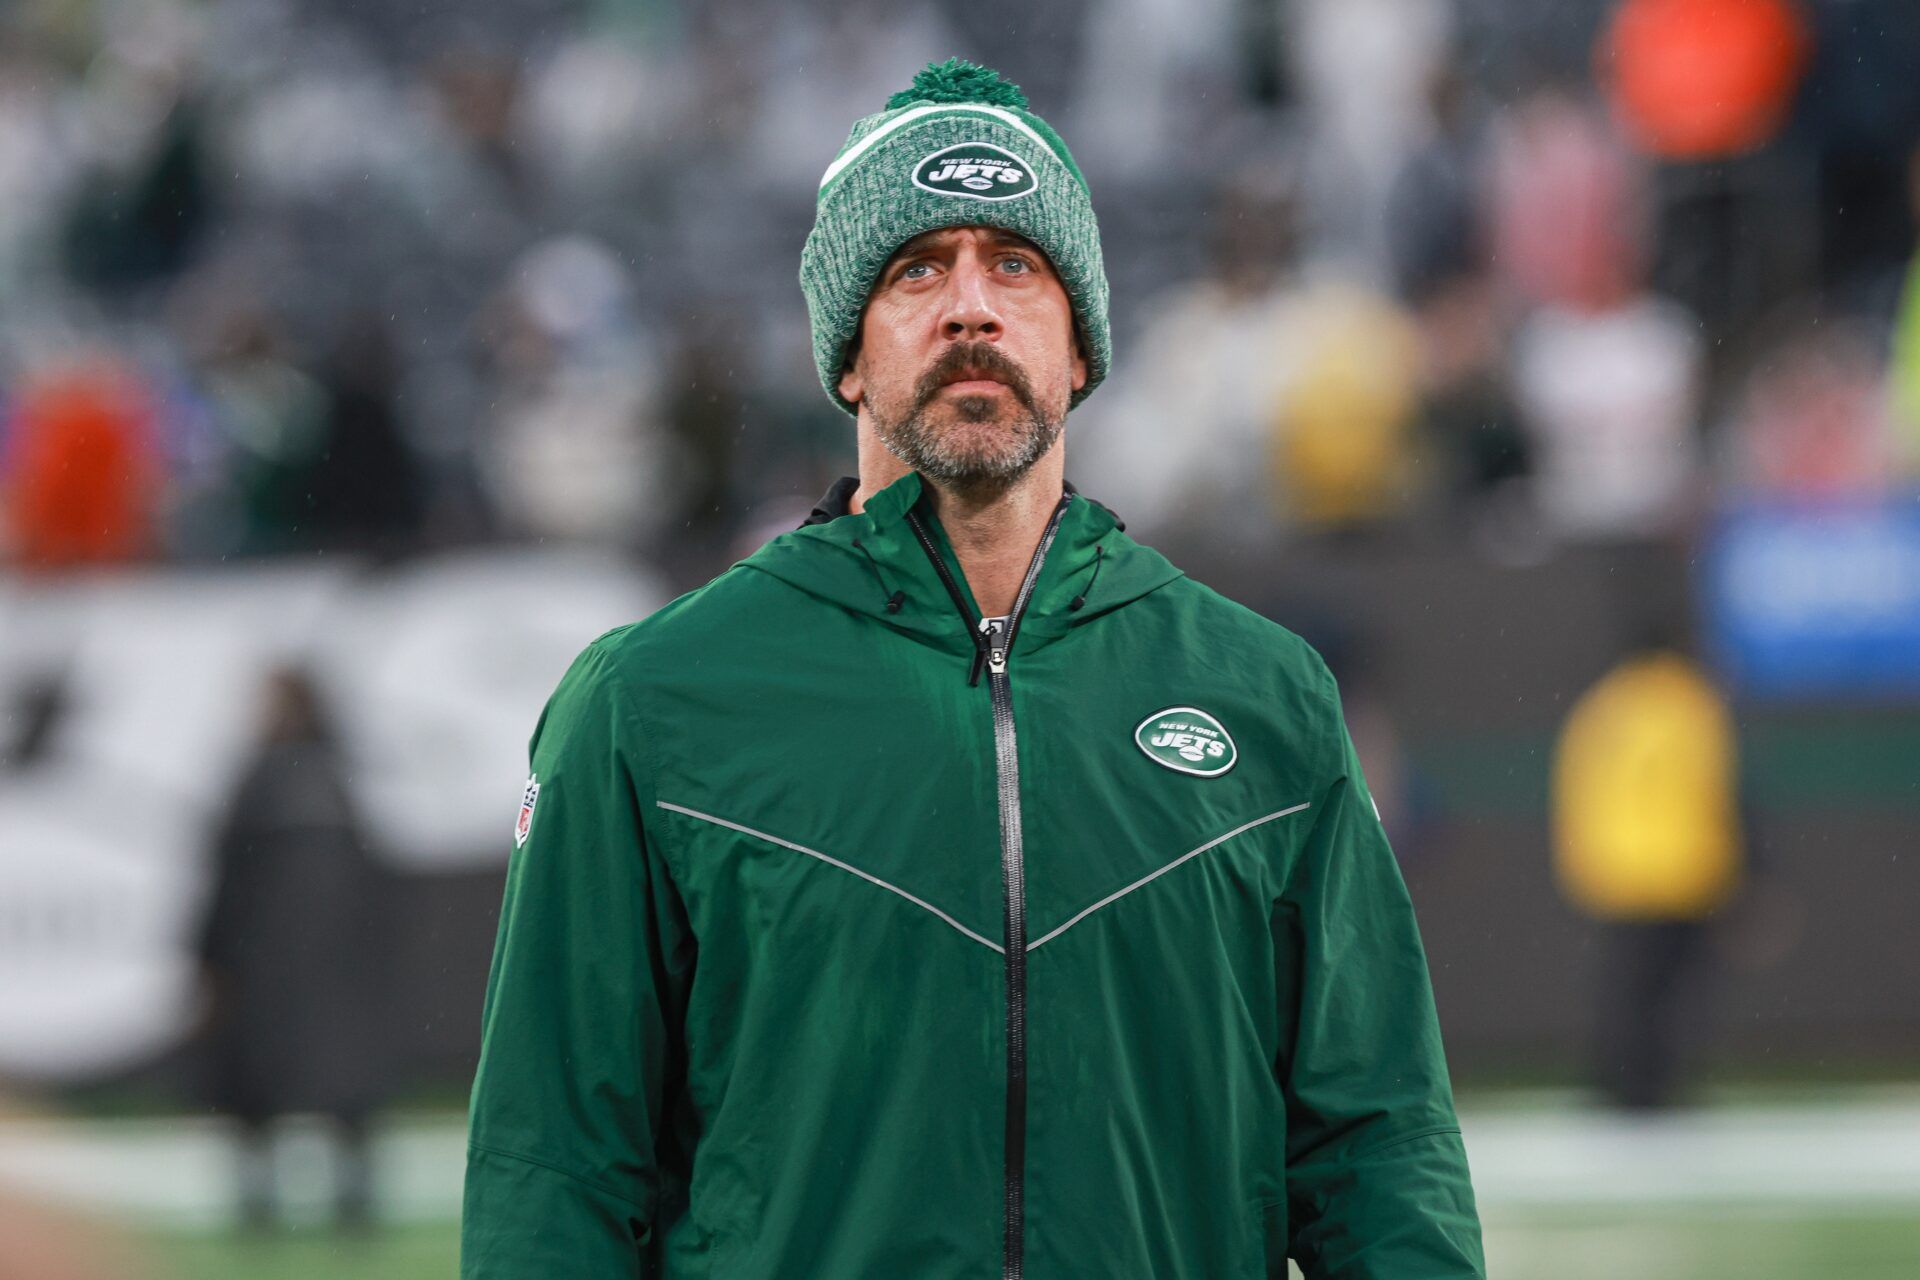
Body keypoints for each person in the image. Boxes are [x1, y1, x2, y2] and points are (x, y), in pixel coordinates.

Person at [462, 58, 1483, 1278]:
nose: (970, 307)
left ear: (1081, 349)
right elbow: (553, 1170)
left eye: (1016, 264)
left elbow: (1381, 1149)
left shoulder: (1266, 699)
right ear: (847, 356)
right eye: (914, 269)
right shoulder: (648, 704)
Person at [196, 666, 391, 1232]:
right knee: (338, 1083)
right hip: (327, 971)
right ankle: (344, 1203)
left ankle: (268, 1205)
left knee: (263, 1083)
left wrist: (211, 955)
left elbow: (226, 875)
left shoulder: (262, 778)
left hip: (268, 968)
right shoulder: (341, 779)